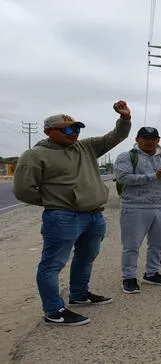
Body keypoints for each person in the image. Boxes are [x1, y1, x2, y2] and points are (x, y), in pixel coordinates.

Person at [13, 101, 132, 326]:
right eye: (67, 129)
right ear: (49, 132)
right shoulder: (35, 155)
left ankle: (79, 294)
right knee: (52, 263)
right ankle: (53, 310)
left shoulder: (86, 147)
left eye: (77, 128)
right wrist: (58, 203)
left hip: (94, 216)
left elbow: (115, 136)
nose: (74, 133)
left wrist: (124, 119)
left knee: (86, 257)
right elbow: (23, 190)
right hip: (62, 218)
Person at [115, 126, 161, 293]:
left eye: (153, 138)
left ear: (158, 140)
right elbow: (123, 178)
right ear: (137, 139)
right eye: (145, 137)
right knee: (131, 245)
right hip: (135, 206)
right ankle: (129, 277)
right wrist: (154, 176)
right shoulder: (126, 157)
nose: (149, 141)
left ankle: (152, 273)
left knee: (159, 244)